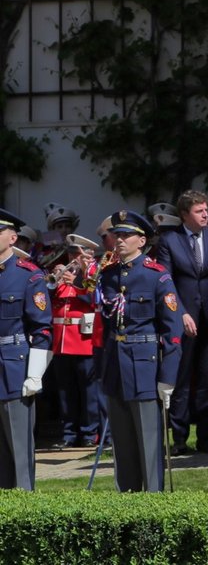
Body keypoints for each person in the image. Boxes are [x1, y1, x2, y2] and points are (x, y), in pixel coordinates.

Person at [96, 210, 183, 492]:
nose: (119, 240)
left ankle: (153, 504)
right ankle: (128, 502)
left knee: (148, 443)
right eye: (116, 235)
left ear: (141, 240)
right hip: (115, 366)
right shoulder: (107, 276)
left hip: (144, 366)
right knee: (122, 446)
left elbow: (173, 332)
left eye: (126, 235)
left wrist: (167, 377)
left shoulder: (157, 276)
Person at [154, 190, 208, 455]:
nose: (205, 215)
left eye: (206, 210)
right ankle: (179, 438)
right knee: (183, 378)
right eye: (199, 211)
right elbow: (166, 281)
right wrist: (181, 313)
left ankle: (205, 437)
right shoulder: (170, 241)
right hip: (183, 316)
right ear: (185, 215)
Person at [0, 209, 52, 489]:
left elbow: (42, 330)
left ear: (12, 237)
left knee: (19, 451)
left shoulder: (28, 276)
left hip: (14, 368)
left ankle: (22, 509)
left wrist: (35, 374)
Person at [49, 234, 102, 449]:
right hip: (61, 342)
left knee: (88, 392)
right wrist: (55, 279)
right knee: (65, 391)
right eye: (71, 253)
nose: (73, 258)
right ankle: (68, 433)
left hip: (84, 340)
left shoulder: (95, 274)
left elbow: (96, 300)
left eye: (77, 253)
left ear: (88, 255)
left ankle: (90, 433)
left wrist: (78, 284)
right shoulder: (62, 275)